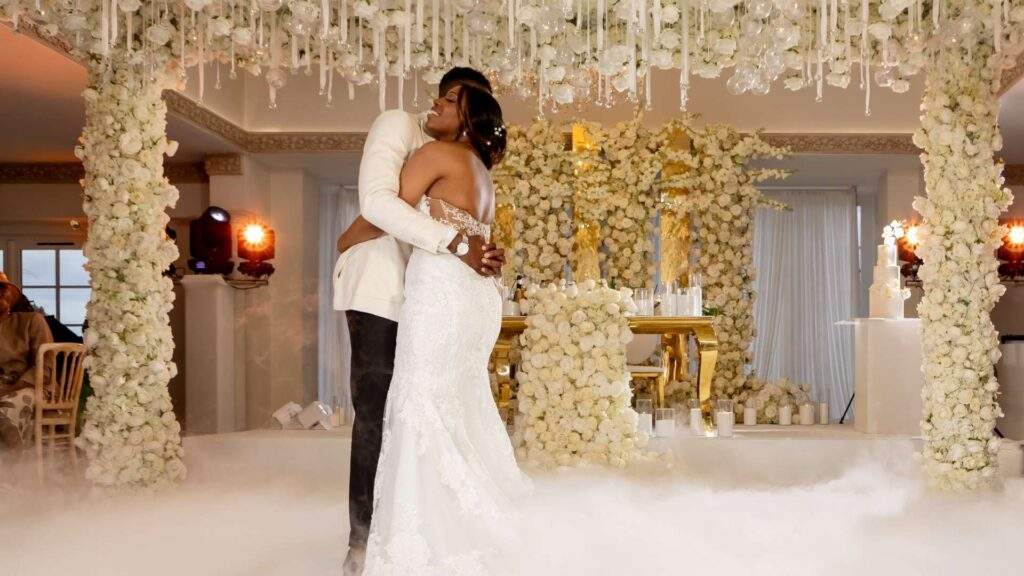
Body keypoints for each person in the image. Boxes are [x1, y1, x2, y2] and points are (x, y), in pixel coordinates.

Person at [339, 84, 531, 574]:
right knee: (455, 405)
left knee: (417, 406)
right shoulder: (481, 172)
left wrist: (345, 239)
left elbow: (383, 212)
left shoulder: (434, 154)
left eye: (450, 101)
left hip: (441, 290)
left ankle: (420, 540)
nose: (437, 103)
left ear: (467, 118)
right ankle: (458, 527)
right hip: (475, 296)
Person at [0, 279, 53, 453]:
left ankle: (14, 465)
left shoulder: (32, 320)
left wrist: (11, 388)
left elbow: (44, 366)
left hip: (32, 385)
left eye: (2, 291)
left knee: (6, 409)